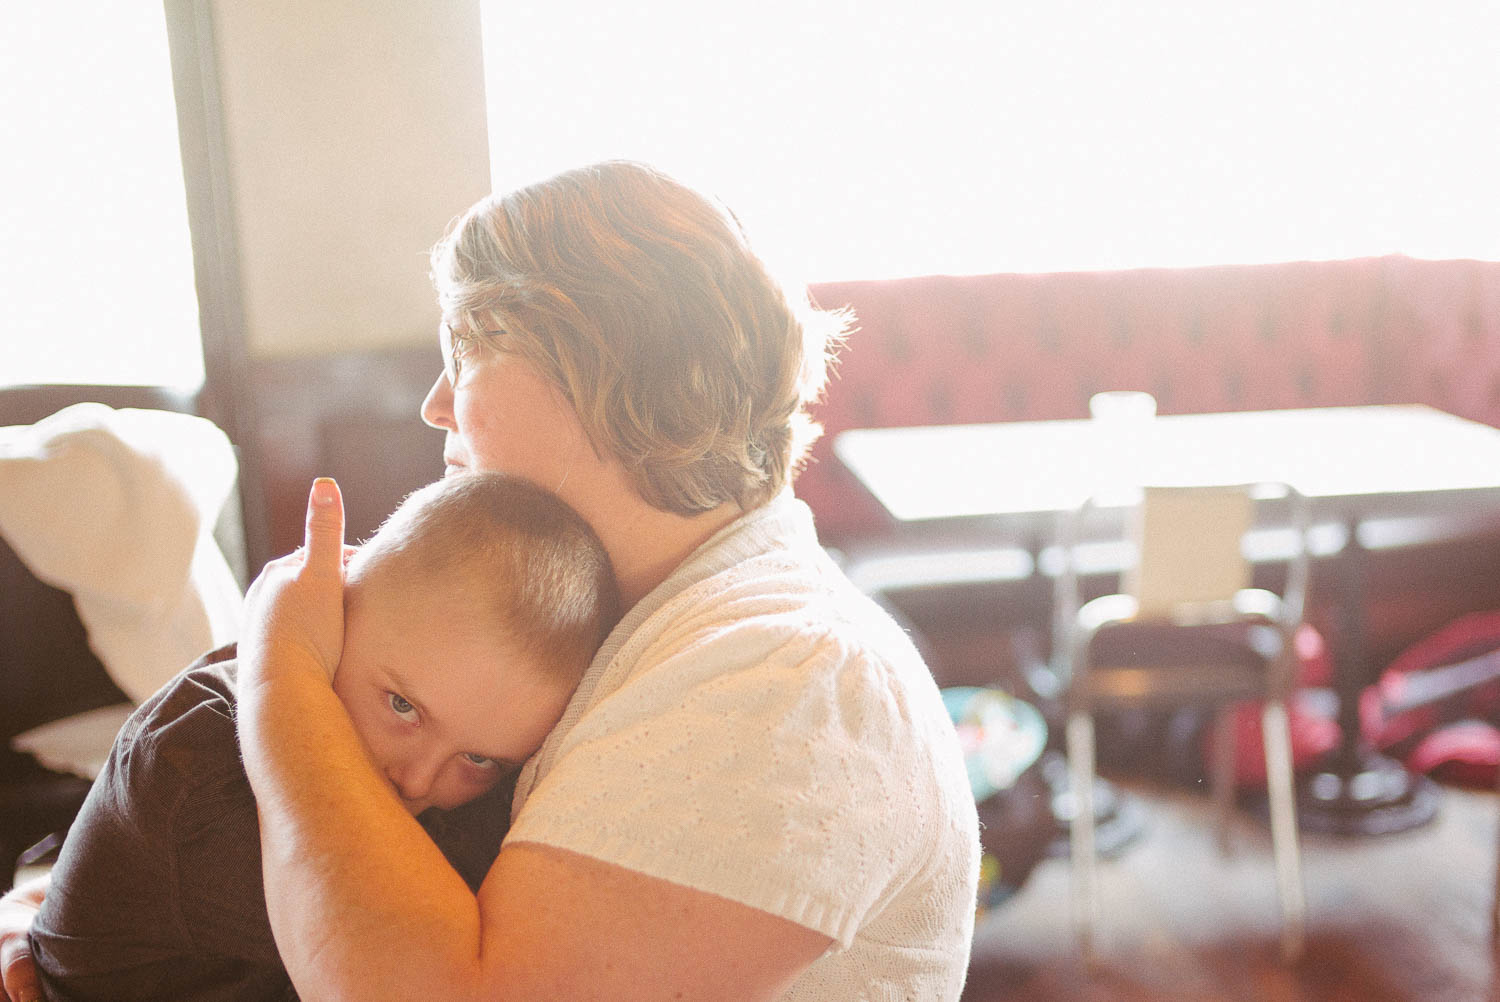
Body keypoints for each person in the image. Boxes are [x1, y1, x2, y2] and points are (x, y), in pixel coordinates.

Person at [1, 160, 980, 1002]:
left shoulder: (788, 677)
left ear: (593, 363)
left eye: (467, 350)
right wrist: (85, 913)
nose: (435, 404)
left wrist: (282, 677)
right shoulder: (614, 620)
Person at [23, 472, 617, 1002]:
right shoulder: (195, 769)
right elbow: (416, 958)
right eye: (402, 706)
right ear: (333, 605)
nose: (416, 780)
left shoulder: (434, 721)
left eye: (480, 759)